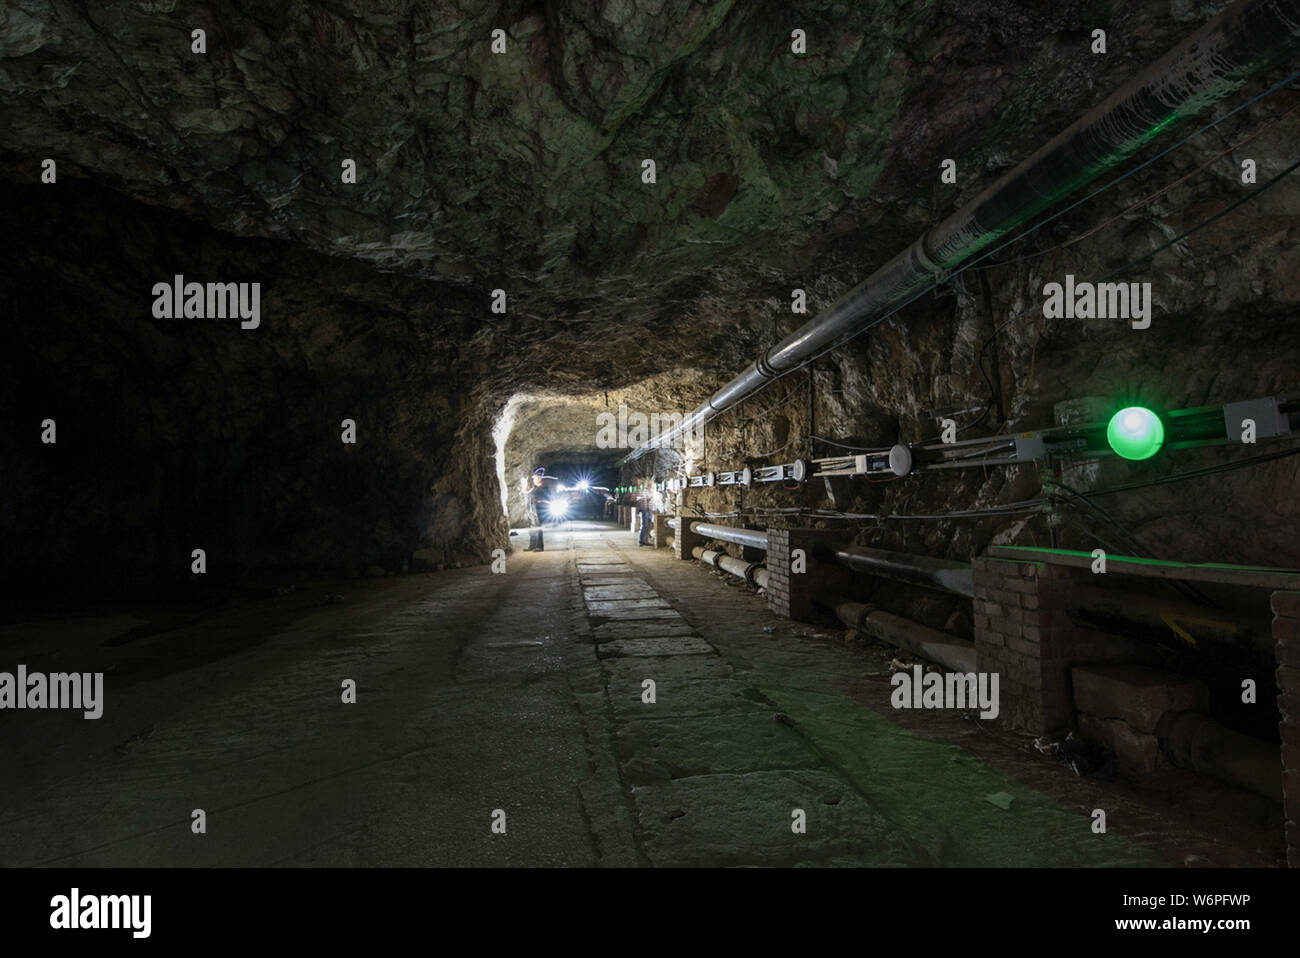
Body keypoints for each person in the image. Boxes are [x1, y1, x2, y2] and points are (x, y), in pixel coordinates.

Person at [524, 468, 547, 552]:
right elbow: (527, 493)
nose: (533, 479)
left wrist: (539, 502)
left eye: (535, 478)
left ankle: (539, 546)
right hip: (532, 510)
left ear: (539, 478)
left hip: (538, 510)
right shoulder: (535, 488)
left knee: (538, 528)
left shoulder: (542, 488)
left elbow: (545, 499)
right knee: (532, 527)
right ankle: (532, 545)